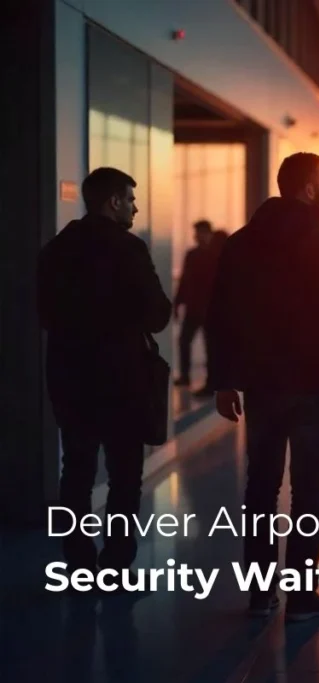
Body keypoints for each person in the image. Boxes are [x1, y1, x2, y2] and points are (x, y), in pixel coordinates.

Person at [205, 152, 319, 621]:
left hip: (262, 388)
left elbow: (221, 316)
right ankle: (301, 597)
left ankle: (260, 594)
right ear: (306, 189)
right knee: (307, 492)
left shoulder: (241, 244)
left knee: (260, 487)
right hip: (314, 386)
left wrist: (224, 381)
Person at [37, 167, 172, 574]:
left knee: (76, 473)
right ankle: (115, 564)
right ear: (113, 201)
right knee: (124, 476)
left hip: (69, 377)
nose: (135, 206)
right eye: (130, 198)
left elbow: (46, 315)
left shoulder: (56, 250)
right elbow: (158, 314)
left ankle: (78, 564)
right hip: (122, 379)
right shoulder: (128, 248)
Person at [172, 219, 218, 395]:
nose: (197, 236)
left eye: (200, 232)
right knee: (185, 341)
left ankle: (210, 383)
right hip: (195, 308)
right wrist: (178, 304)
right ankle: (185, 376)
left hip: (209, 310)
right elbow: (185, 281)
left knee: (210, 348)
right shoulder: (192, 255)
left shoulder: (215, 255)